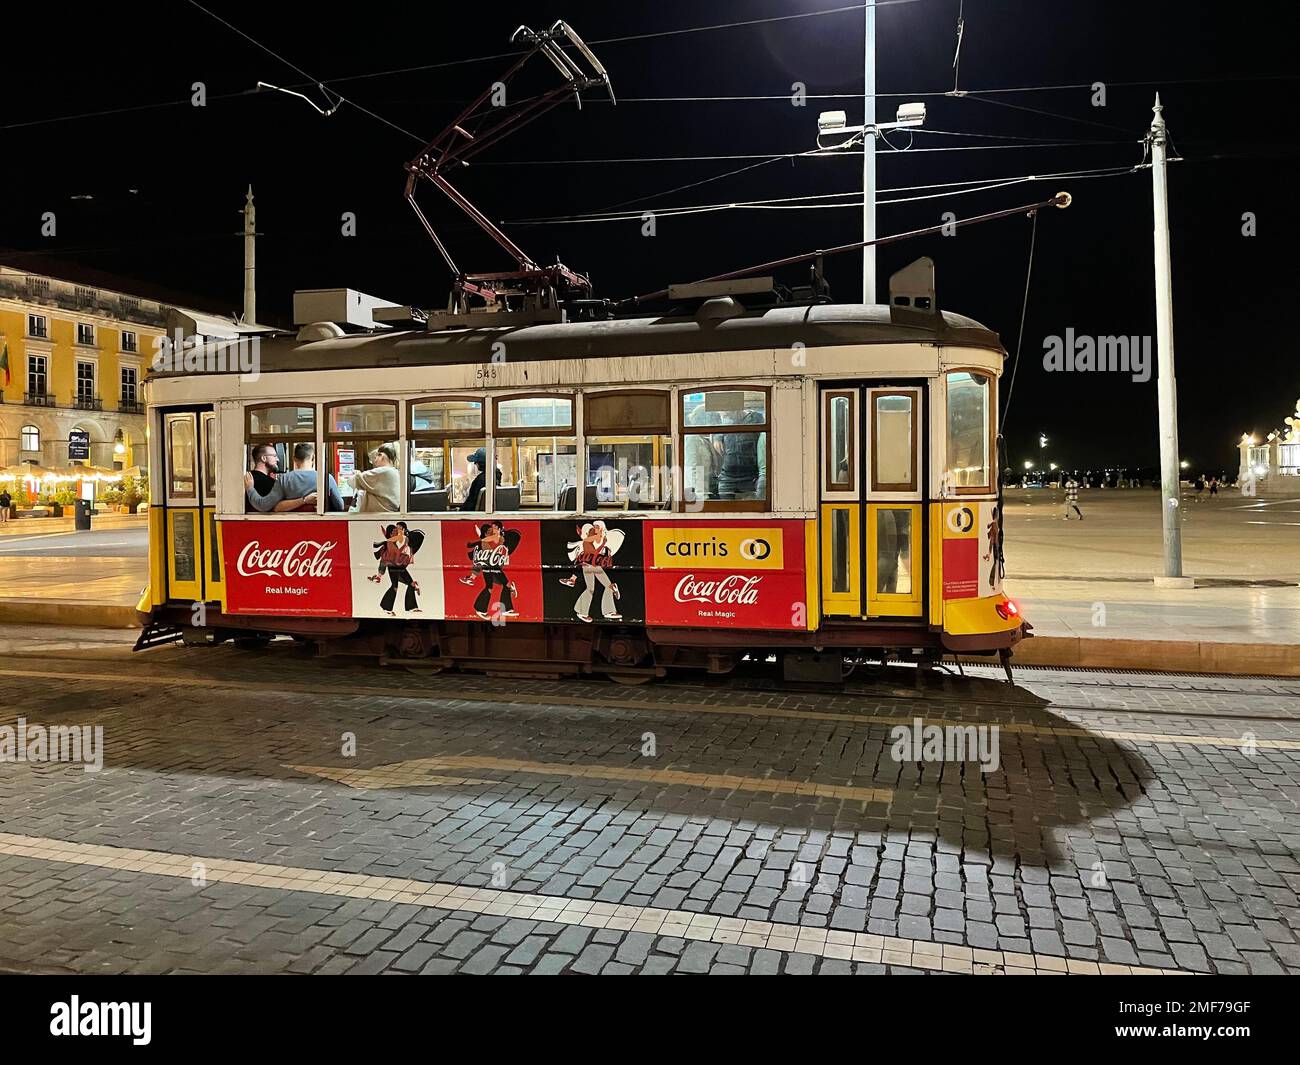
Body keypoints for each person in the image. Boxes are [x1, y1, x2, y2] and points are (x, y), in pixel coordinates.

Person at [245, 442, 341, 513]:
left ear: (294, 459)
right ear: (313, 458)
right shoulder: (326, 478)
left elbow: (264, 505)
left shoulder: (284, 479)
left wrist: (250, 488)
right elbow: (339, 506)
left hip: (291, 525)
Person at [349, 443, 401, 512]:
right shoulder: (395, 472)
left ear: (381, 456)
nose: (374, 461)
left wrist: (357, 474)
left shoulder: (383, 472)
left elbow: (352, 481)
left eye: (375, 457)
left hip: (376, 518)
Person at [458, 447, 501, 512]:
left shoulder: (480, 480)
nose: (475, 464)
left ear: (481, 463)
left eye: (476, 462)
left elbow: (471, 503)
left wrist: (459, 512)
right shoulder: (496, 476)